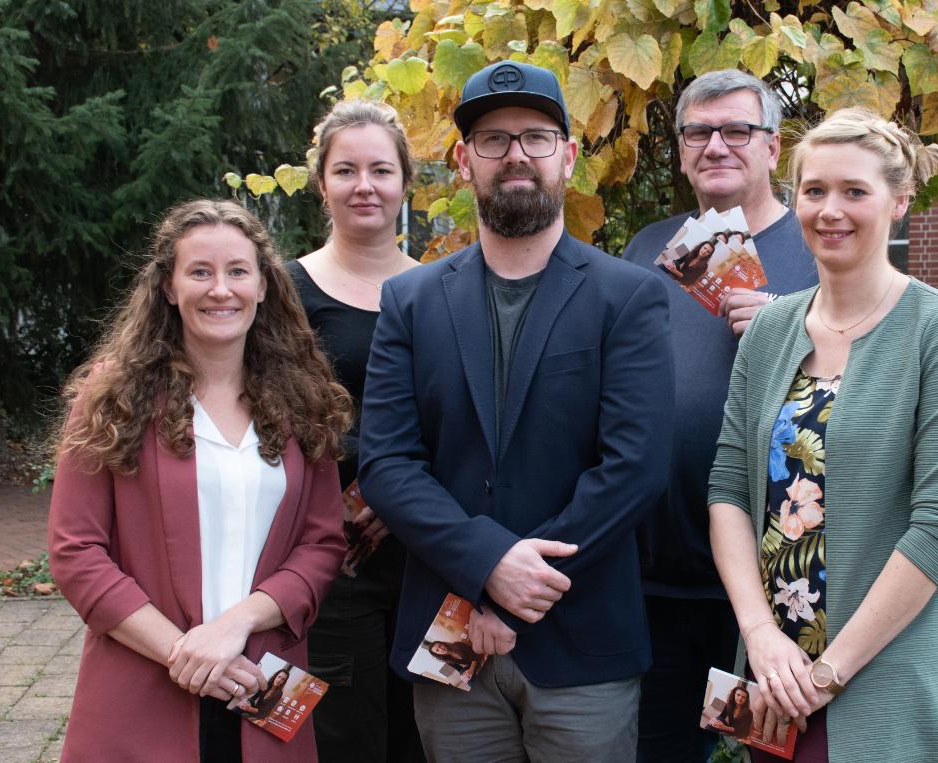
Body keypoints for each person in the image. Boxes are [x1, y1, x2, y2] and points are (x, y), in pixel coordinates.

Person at [358, 60, 673, 761]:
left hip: (583, 638)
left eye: (536, 136)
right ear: (464, 162)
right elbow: (387, 464)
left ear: (568, 155)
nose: (517, 155)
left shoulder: (628, 297)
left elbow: (636, 466)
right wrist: (486, 565)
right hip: (449, 638)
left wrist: (514, 586)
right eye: (494, 140)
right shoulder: (410, 302)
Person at [707, 107, 938, 761]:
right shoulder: (773, 329)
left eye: (854, 191)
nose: (830, 209)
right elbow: (727, 486)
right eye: (814, 191)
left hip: (877, 676)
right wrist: (760, 634)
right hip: (772, 675)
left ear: (898, 202)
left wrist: (828, 670)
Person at [47, 199, 352, 761]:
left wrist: (235, 625)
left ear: (264, 286)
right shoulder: (113, 398)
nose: (221, 289)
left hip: (262, 681)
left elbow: (322, 542)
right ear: (168, 286)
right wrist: (185, 653)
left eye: (238, 271)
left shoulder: (303, 400)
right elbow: (76, 551)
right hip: (143, 687)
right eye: (200, 272)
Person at [620, 69, 817, 762]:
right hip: (658, 571)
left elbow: (875, 373)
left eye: (738, 130)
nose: (716, 146)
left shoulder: (821, 246)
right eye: (698, 132)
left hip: (779, 578)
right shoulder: (648, 248)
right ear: (679, 151)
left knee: (780, 751)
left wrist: (794, 328)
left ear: (772, 147)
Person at [287, 98, 426, 763]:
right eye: (346, 170)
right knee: (344, 736)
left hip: (430, 553)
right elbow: (267, 411)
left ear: (405, 182)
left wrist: (396, 495)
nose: (364, 185)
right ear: (322, 184)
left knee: (423, 734)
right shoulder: (283, 293)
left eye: (380, 169)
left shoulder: (442, 289)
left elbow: (464, 416)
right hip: (331, 556)